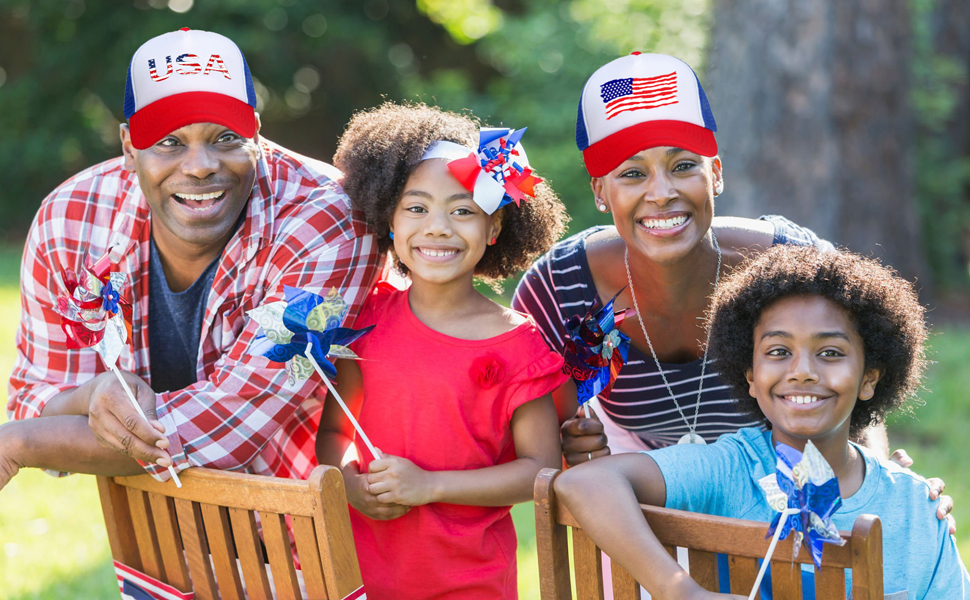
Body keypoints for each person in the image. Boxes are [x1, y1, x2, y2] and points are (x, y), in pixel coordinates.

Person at [511, 52, 953, 528]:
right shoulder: (559, 287)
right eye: (632, 173)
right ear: (600, 191)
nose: (661, 193)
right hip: (638, 507)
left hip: (775, 503)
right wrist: (571, 444)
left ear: (715, 174)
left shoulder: (787, 262)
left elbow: (852, 398)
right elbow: (529, 435)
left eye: (683, 166)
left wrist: (886, 491)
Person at [0, 28, 380, 490]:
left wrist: (20, 444)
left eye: (224, 137)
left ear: (256, 133)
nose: (200, 165)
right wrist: (92, 394)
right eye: (169, 142)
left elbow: (227, 428)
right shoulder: (72, 220)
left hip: (306, 540)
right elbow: (33, 395)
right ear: (127, 146)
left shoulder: (327, 220)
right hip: (149, 546)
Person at [555, 245, 970, 599]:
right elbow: (583, 482)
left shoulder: (916, 508)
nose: (802, 371)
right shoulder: (731, 469)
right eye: (777, 352)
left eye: (830, 353)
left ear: (869, 379)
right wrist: (680, 590)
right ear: (751, 377)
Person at [316, 102, 569, 599]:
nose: (437, 227)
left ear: (494, 229)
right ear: (389, 219)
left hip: (468, 581)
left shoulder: (518, 343)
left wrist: (429, 486)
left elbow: (541, 469)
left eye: (463, 210)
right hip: (359, 572)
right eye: (416, 207)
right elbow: (333, 430)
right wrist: (349, 484)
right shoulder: (365, 319)